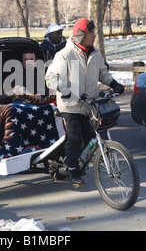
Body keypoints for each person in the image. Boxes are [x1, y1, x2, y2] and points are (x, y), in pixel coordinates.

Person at [45, 19, 124, 187]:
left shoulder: (95, 53)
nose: (95, 35)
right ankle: (72, 169)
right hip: (70, 104)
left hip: (89, 104)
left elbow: (103, 73)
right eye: (92, 33)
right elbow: (51, 78)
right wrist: (65, 90)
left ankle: (81, 162)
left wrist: (113, 83)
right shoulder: (64, 55)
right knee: (74, 136)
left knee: (91, 138)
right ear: (81, 35)